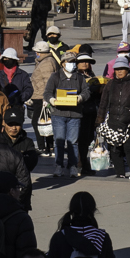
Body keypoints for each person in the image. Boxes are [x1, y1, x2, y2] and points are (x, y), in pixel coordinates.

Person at [43, 47, 96, 178]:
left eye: (73, 61)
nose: (71, 63)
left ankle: (73, 166)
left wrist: (80, 98)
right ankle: (59, 166)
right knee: (59, 141)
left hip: (75, 115)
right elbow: (47, 93)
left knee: (73, 142)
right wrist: (52, 100)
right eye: (69, 61)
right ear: (62, 63)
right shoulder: (55, 76)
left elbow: (86, 92)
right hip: (58, 114)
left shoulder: (79, 77)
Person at [97, 57, 130, 181]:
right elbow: (103, 103)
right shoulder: (110, 84)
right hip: (112, 120)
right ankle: (119, 172)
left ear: (128, 70)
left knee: (129, 147)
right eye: (117, 69)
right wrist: (99, 120)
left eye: (122, 69)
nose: (119, 72)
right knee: (114, 148)